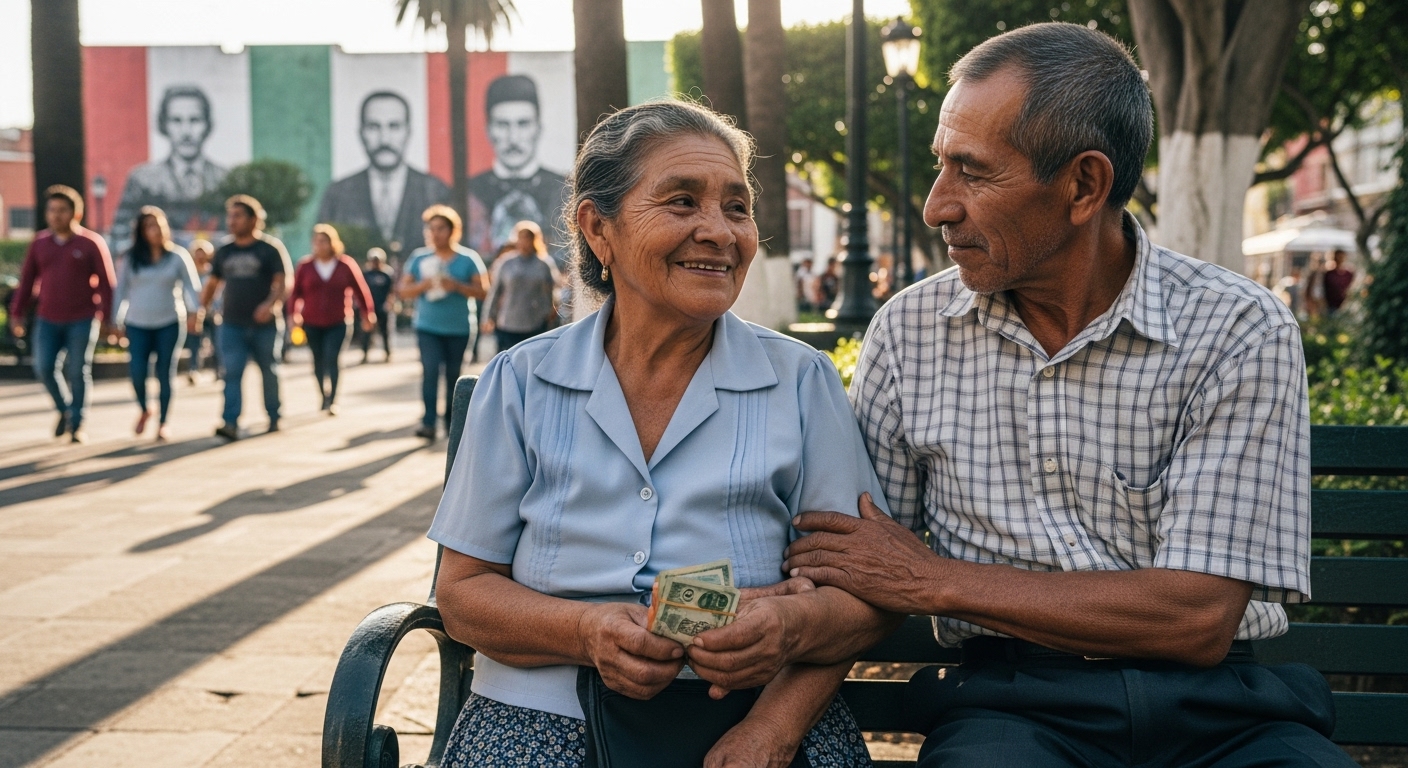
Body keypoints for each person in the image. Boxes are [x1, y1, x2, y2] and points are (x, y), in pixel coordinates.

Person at [781, 23, 1353, 767]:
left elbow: (1198, 617)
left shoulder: (1237, 327)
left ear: (1085, 184)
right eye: (940, 167)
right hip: (1009, 707)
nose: (936, 205)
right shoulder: (910, 331)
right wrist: (777, 699)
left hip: (1223, 710)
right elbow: (865, 567)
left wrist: (937, 580)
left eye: (972, 172)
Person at [428, 99, 894, 768]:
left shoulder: (800, 380)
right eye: (682, 202)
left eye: (737, 208)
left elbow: (864, 596)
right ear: (599, 229)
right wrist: (587, 629)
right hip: (542, 713)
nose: (719, 231)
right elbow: (463, 593)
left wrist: (787, 660)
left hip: (752, 714)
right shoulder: (522, 381)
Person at [8, 185, 116, 443]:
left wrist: (107, 318)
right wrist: (17, 314)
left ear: (75, 213)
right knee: (44, 368)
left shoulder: (91, 243)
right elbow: (26, 281)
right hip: (48, 318)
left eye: (62, 210)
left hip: (82, 318)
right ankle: (65, 409)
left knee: (78, 370)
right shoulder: (40, 243)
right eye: (52, 210)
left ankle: (77, 423)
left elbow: (106, 283)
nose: (56, 216)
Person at [201, 195, 293, 440]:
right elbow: (212, 284)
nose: (232, 221)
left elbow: (282, 283)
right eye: (230, 216)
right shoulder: (224, 251)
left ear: (254, 220)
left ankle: (274, 416)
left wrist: (270, 305)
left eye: (238, 216)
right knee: (231, 372)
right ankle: (230, 422)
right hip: (231, 323)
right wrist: (202, 308)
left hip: (265, 325)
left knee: (269, 370)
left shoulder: (270, 249)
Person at [317, 91, 452, 253]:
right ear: (361, 133)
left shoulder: (435, 190)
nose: (384, 139)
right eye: (374, 127)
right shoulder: (338, 194)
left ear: (408, 131)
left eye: (394, 126)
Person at [398, 205, 488, 440]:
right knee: (430, 372)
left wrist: (456, 286)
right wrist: (423, 285)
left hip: (459, 328)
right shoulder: (419, 258)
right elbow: (403, 291)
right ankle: (428, 422)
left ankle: (451, 423)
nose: (435, 233)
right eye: (432, 229)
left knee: (453, 376)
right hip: (427, 327)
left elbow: (483, 291)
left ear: (452, 231)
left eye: (441, 229)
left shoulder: (468, 259)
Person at [113, 207, 202, 441]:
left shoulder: (177, 256)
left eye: (160, 225)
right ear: (141, 231)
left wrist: (195, 313)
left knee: (165, 373)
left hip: (170, 322)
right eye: (150, 226)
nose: (156, 231)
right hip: (137, 323)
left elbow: (193, 288)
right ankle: (144, 409)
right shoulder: (130, 258)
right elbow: (120, 290)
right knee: (138, 372)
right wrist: (115, 320)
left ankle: (163, 422)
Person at [467, 75, 568, 264]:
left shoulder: (563, 188)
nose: (513, 138)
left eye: (523, 124)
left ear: (538, 128)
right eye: (503, 125)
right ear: (488, 130)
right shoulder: (471, 191)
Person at [112, 86, 228, 246]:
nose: (186, 132)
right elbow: (119, 234)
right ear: (164, 125)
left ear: (207, 124)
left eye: (195, 120)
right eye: (176, 120)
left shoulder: (226, 178)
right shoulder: (142, 179)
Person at [287, 224, 376, 415]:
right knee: (318, 359)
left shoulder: (345, 265)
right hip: (311, 321)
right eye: (317, 241)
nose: (320, 245)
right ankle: (323, 395)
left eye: (324, 241)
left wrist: (367, 313)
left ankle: (333, 399)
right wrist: (293, 314)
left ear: (332, 243)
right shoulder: (305, 266)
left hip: (338, 321)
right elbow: (295, 293)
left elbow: (361, 291)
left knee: (332, 357)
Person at [481, 220, 559, 353]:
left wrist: (550, 313)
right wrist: (488, 316)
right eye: (521, 237)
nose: (524, 242)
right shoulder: (506, 263)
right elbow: (495, 292)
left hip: (535, 322)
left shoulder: (543, 265)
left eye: (528, 238)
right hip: (508, 322)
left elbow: (551, 291)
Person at [185, 239, 219, 383]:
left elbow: (219, 291)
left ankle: (218, 370)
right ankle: (194, 370)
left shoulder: (212, 271)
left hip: (212, 312)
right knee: (194, 344)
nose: (200, 257)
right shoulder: (189, 272)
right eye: (197, 254)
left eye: (203, 254)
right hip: (195, 312)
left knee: (216, 343)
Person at [359, 247, 396, 363]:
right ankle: (364, 354)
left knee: (385, 332)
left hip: (383, 307)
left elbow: (392, 290)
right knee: (366, 333)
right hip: (370, 308)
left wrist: (390, 303)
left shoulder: (387, 274)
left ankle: (387, 353)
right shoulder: (366, 274)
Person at [1322, 249, 1355, 314]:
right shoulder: (1329, 274)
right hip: (1331, 306)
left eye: (1341, 257)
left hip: (1346, 306)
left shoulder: (1349, 274)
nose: (1340, 259)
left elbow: (1351, 288)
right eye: (1338, 257)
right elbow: (1324, 290)